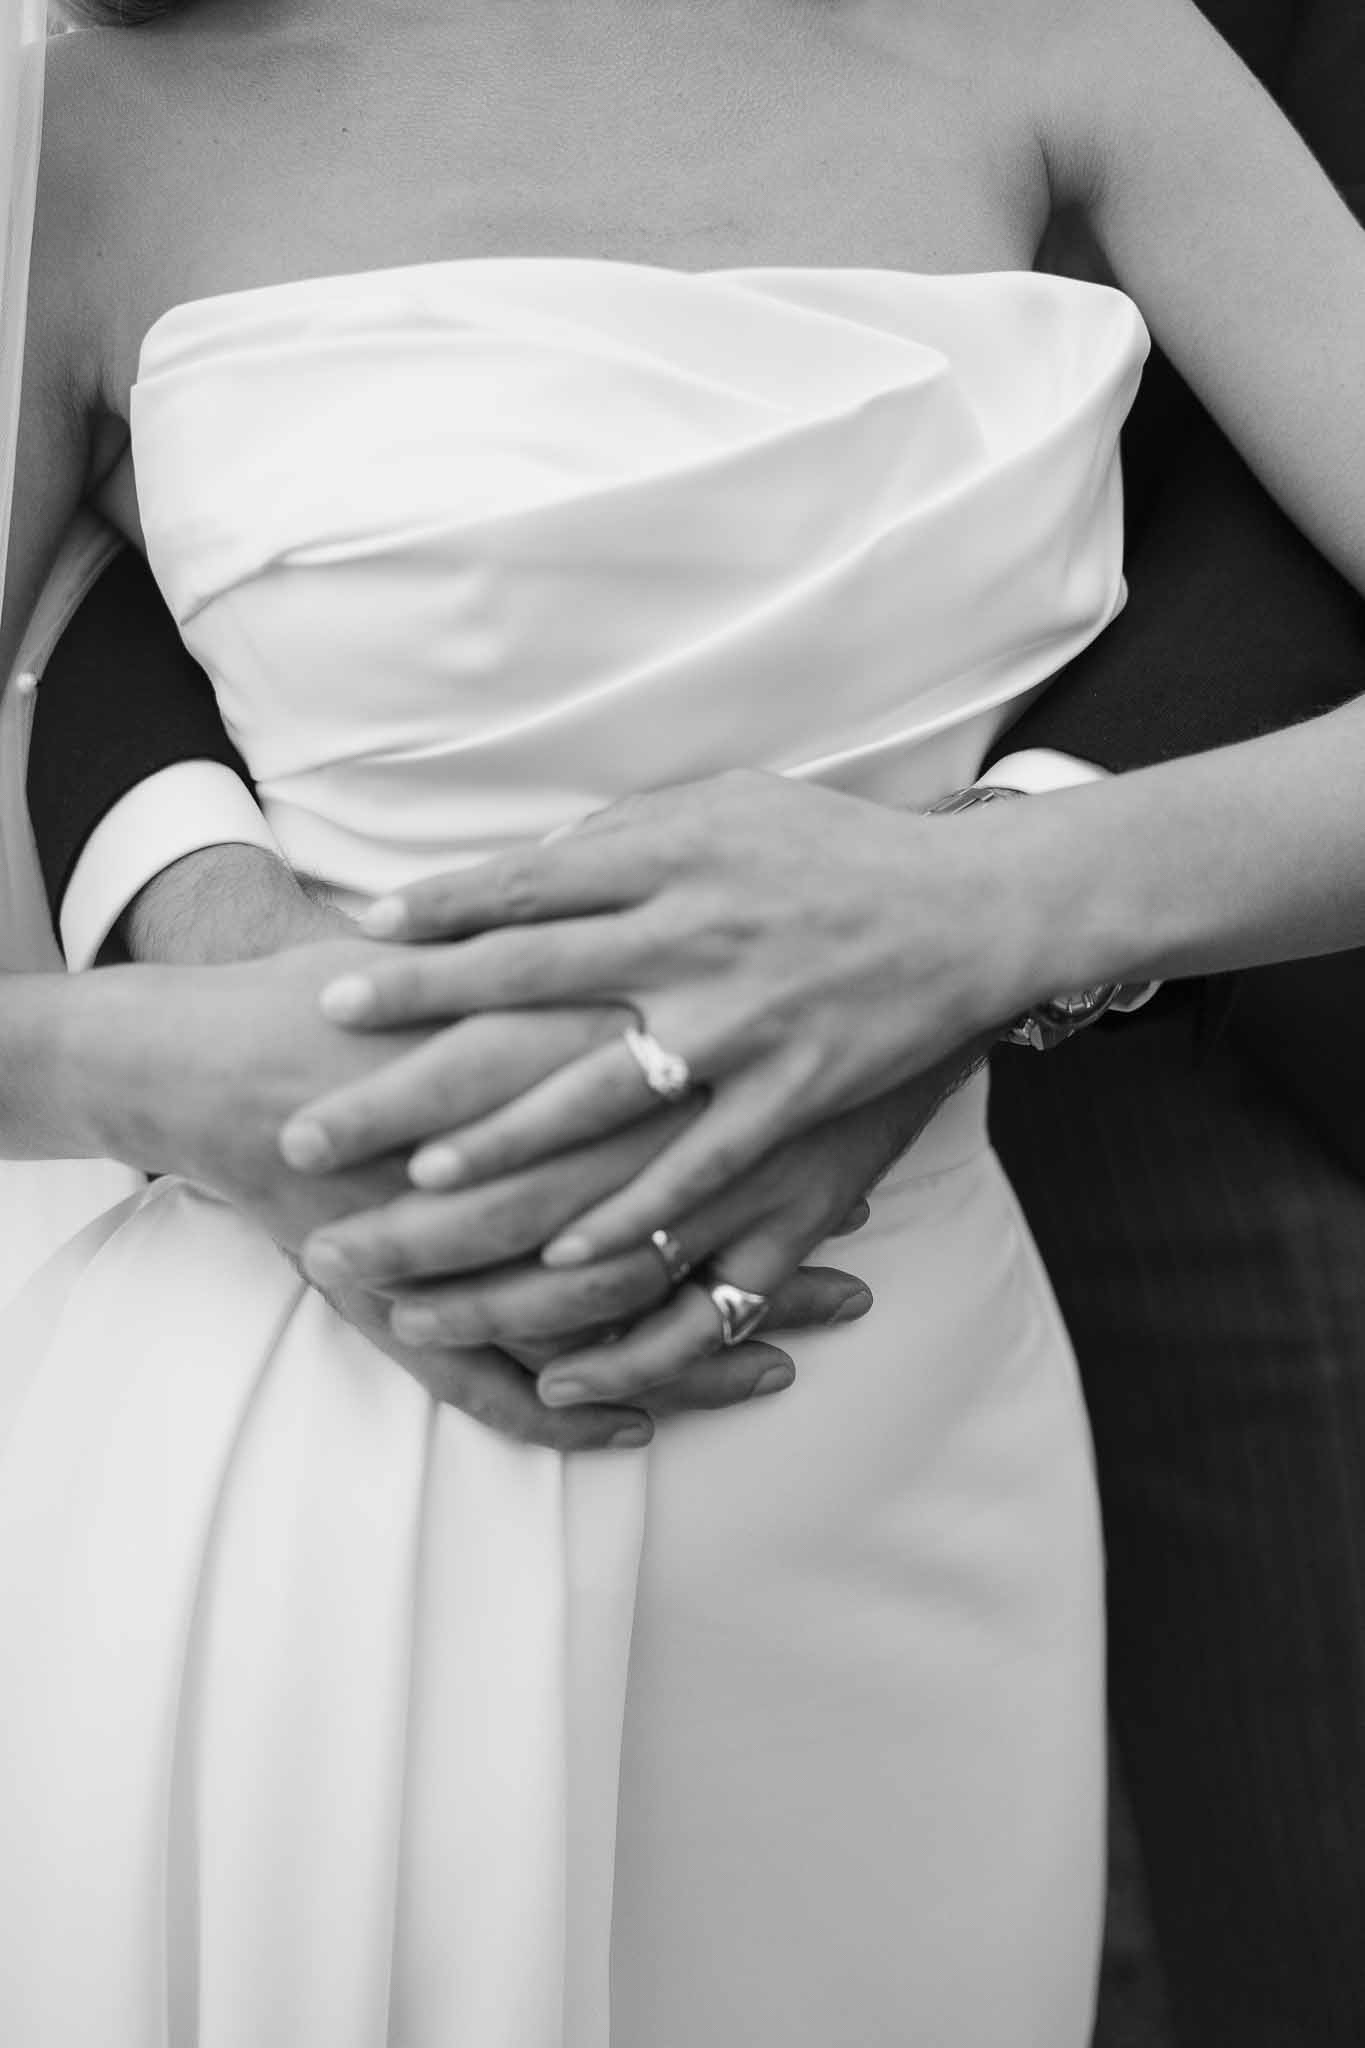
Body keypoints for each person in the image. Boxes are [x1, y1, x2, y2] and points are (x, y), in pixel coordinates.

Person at [5, 3, 1365, 2044]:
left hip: (874, 1446)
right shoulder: (99, 107)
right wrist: (171, 1070)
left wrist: (990, 905)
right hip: (286, 1396)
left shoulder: (1075, 41)